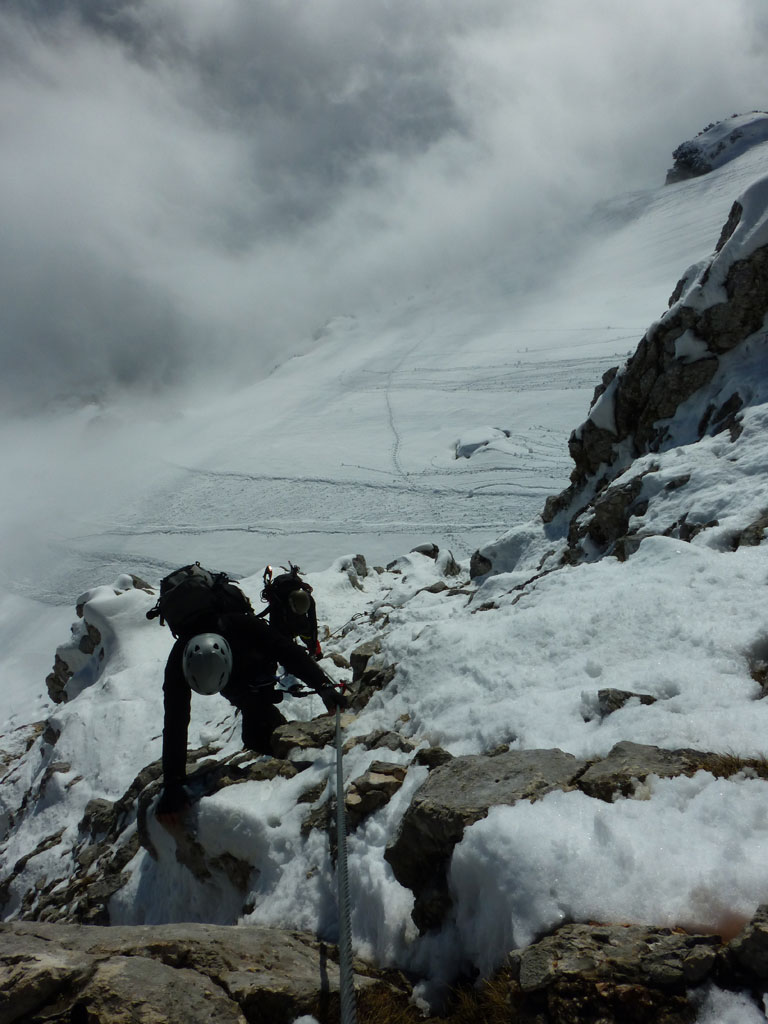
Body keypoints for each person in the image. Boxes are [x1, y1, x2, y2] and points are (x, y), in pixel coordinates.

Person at [157, 609, 345, 824]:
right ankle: (275, 748)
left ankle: (279, 749)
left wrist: (323, 686)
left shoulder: (243, 626)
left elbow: (287, 651)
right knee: (254, 729)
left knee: (256, 727)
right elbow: (175, 720)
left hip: (253, 668)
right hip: (238, 683)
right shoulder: (179, 660)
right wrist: (172, 782)